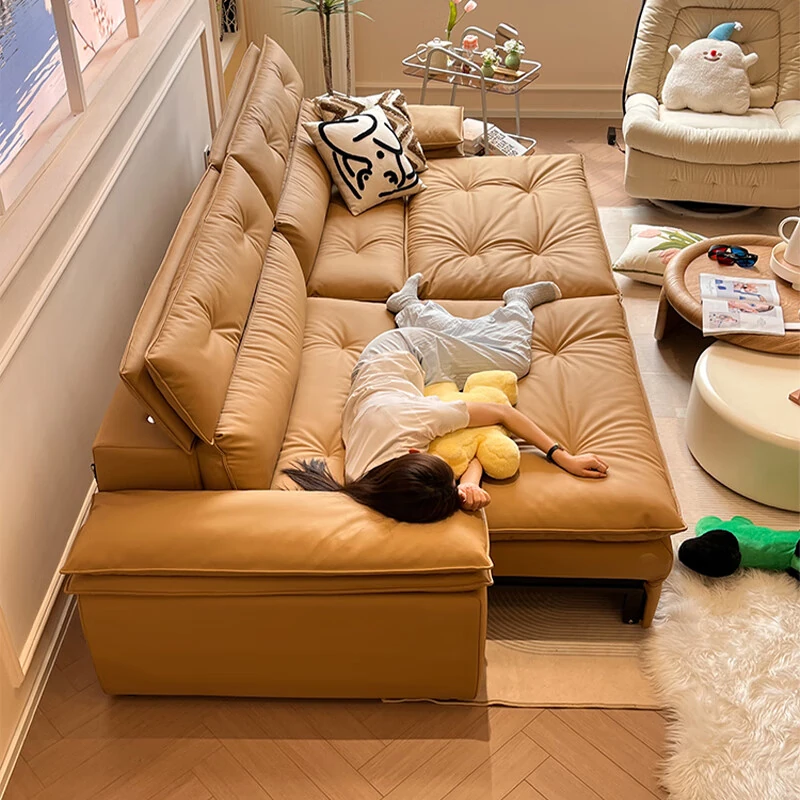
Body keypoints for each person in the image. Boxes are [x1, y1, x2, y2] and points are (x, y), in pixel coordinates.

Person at [284, 274, 609, 523]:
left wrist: (563, 457)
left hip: (408, 350)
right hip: (376, 369)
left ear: (415, 451)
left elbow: (501, 413)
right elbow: (462, 462)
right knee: (468, 340)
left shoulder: (417, 419)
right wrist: (469, 486)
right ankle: (409, 306)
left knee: (513, 358)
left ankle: (516, 303)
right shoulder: (368, 482)